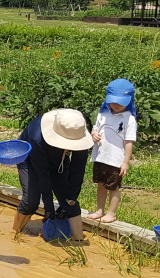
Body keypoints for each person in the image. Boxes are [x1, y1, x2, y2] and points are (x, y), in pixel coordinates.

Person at [13, 109, 93, 241]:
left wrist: (70, 199)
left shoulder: (77, 132)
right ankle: (15, 234)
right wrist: (48, 207)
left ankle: (78, 240)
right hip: (30, 159)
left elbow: (77, 170)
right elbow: (43, 175)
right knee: (31, 201)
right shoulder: (37, 137)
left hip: (60, 158)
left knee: (69, 202)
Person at [88, 79, 137, 224]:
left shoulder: (129, 119)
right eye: (112, 101)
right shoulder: (103, 114)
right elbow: (96, 128)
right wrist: (94, 133)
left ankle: (111, 213)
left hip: (115, 159)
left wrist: (125, 162)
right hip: (100, 156)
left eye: (120, 102)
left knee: (113, 187)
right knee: (101, 185)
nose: (115, 105)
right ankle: (100, 210)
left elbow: (129, 142)